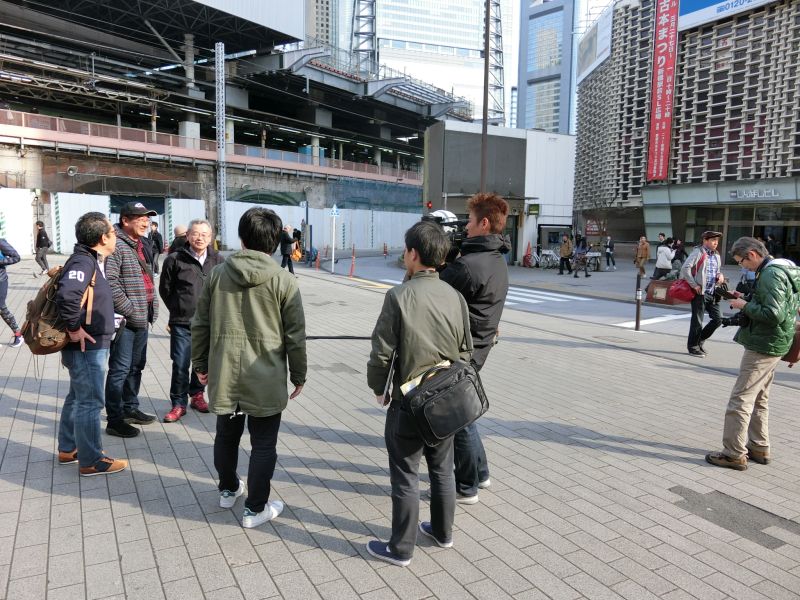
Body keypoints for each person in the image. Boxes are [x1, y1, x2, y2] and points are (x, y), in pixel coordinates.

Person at [192, 207, 306, 529]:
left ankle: (228, 489)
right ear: (275, 242)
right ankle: (255, 509)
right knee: (264, 444)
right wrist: (299, 375)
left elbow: (200, 325)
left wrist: (200, 364)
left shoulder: (217, 274)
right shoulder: (284, 280)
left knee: (226, 437)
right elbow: (295, 336)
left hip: (225, 373)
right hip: (265, 376)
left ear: (241, 238)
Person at [366, 220, 472, 567]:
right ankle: (443, 532)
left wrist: (378, 388)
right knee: (442, 469)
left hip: (409, 401)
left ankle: (401, 548)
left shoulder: (398, 296)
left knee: (406, 474)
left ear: (413, 253)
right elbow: (466, 350)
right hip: (445, 400)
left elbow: (382, 353)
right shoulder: (455, 296)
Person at [705, 237, 800, 470]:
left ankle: (733, 454)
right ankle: (759, 446)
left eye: (741, 262)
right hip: (774, 343)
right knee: (759, 398)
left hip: (763, 344)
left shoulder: (770, 274)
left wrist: (744, 306)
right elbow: (778, 305)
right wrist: (745, 299)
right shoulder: (784, 269)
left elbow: (773, 314)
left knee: (741, 399)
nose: (743, 266)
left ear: (752, 254)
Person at [439, 192, 509, 504]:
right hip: (478, 346)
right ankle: (480, 473)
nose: (465, 226)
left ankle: (467, 487)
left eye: (469, 221)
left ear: (484, 223)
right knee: (464, 412)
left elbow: (430, 290)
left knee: (458, 418)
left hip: (460, 350)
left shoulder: (469, 266)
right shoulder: (496, 259)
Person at [56, 212, 128, 477]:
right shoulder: (83, 261)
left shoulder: (90, 259)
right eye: (113, 232)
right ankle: (91, 460)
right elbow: (67, 295)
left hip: (89, 346)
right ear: (102, 238)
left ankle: (69, 449)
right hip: (87, 347)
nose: (116, 236)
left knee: (77, 397)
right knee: (90, 402)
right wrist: (74, 329)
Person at [159, 219, 224, 423]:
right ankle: (178, 403)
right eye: (195, 234)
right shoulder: (175, 259)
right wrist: (178, 308)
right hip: (182, 322)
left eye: (204, 234)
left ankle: (197, 395)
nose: (200, 238)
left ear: (210, 238)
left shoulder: (218, 260)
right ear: (187, 236)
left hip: (208, 323)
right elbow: (165, 289)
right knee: (180, 363)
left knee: (202, 362)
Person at [104, 202, 159, 438]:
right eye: (140, 218)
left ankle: (130, 408)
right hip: (126, 320)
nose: (145, 222)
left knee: (136, 366)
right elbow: (110, 282)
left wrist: (150, 308)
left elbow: (147, 278)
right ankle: (115, 419)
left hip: (142, 317)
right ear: (125, 220)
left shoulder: (140, 243)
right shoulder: (116, 244)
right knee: (120, 369)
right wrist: (130, 309)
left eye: (147, 218)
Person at [680, 231, 725, 357]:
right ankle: (693, 347)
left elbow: (717, 270)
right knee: (697, 321)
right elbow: (685, 268)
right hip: (700, 293)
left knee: (718, 319)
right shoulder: (698, 252)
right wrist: (694, 285)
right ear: (705, 240)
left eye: (717, 241)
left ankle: (699, 340)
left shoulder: (716, 255)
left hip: (713, 292)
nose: (716, 243)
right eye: (713, 240)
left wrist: (720, 275)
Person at [0, 238, 22, 348]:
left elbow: (16, 257)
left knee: (1, 308)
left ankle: (18, 334)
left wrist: (0, 261)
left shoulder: (1, 242)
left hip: (0, 281)